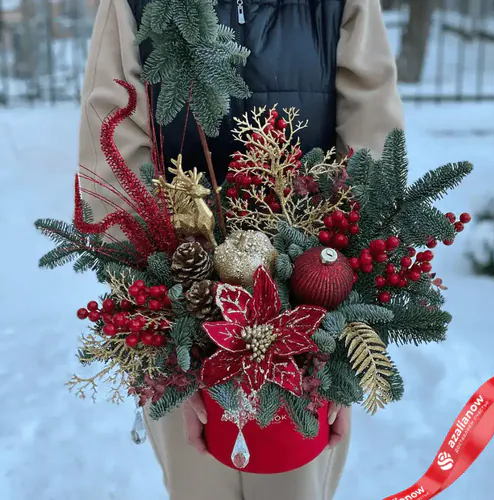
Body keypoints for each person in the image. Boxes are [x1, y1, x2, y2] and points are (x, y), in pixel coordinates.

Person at [78, 0, 404, 498]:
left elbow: (372, 150)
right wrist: (171, 349)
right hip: (181, 316)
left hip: (314, 330)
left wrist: (341, 347)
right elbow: (113, 152)